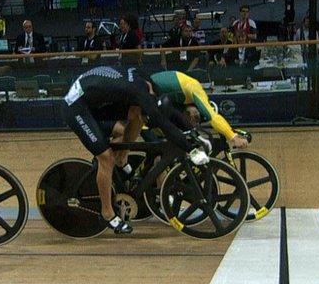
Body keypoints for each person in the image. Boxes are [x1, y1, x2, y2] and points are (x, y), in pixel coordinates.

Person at [62, 66, 210, 233]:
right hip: (76, 108)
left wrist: (190, 131)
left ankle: (122, 158)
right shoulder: (139, 93)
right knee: (106, 157)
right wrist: (191, 149)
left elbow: (165, 112)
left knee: (135, 113)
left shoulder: (146, 81)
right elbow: (165, 125)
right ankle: (107, 213)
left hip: (92, 97)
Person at [149, 70, 248, 147]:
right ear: (197, 107)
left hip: (156, 95)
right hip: (146, 94)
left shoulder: (183, 100)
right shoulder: (195, 89)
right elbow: (213, 117)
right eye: (196, 117)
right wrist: (233, 137)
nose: (194, 121)